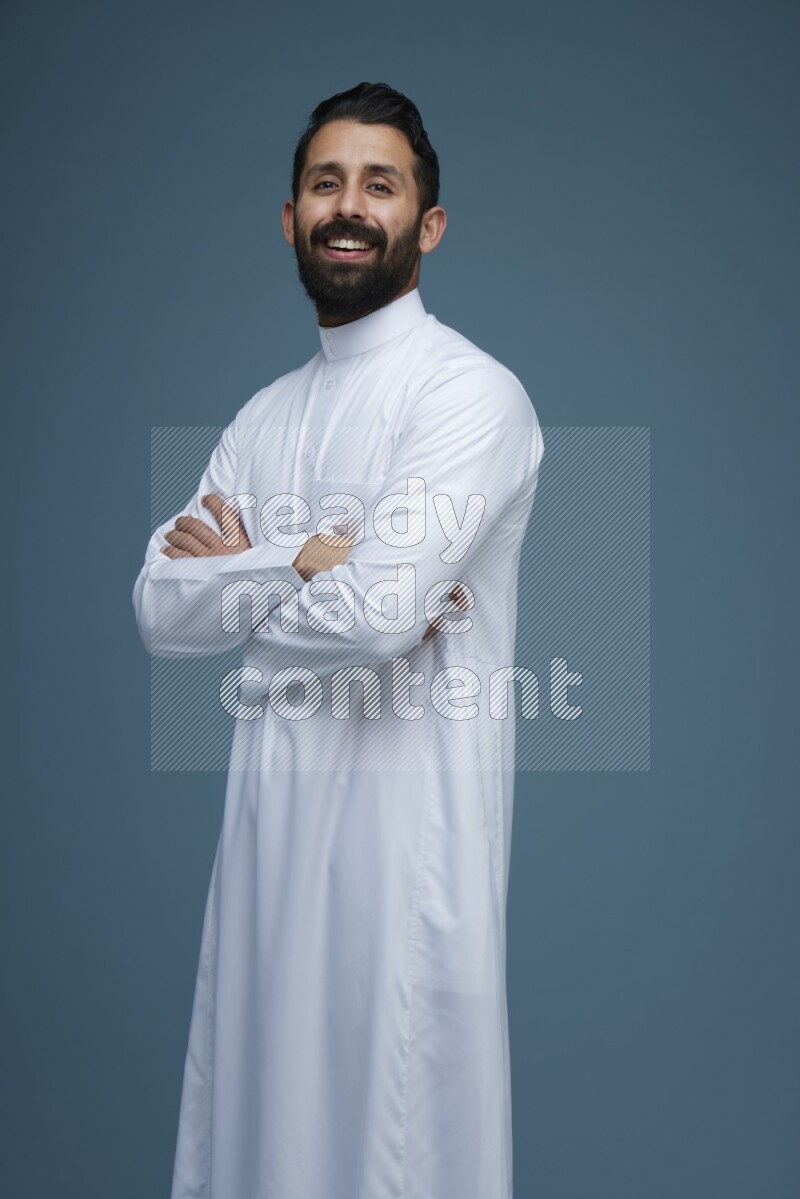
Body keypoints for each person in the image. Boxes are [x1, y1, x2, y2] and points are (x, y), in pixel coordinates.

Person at [133, 80, 545, 1199]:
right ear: (290, 217)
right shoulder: (263, 414)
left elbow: (372, 617)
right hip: (266, 860)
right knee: (254, 1144)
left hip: (404, 863)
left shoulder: (469, 395)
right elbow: (160, 613)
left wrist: (248, 584)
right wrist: (295, 563)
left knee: (392, 1154)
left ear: (428, 223)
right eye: (326, 183)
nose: (349, 206)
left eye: (380, 183)